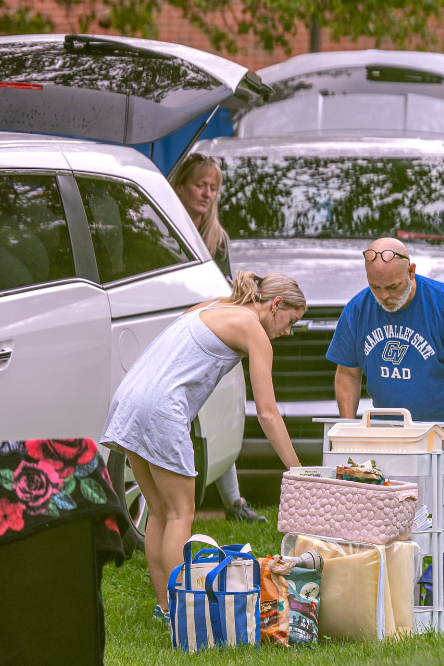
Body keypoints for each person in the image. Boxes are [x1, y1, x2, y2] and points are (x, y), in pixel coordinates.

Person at [101, 272, 305, 621]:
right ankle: (185, 614)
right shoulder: (254, 330)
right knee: (181, 514)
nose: (287, 330)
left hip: (129, 399)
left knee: (160, 512)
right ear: (276, 304)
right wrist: (298, 469)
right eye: (291, 321)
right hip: (162, 408)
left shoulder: (215, 305)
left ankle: (166, 609)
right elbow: (268, 413)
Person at [327, 237, 444, 551]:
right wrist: (347, 429)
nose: (384, 296)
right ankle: (403, 597)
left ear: (412, 271)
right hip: (396, 438)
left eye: (392, 286)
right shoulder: (358, 310)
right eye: (376, 287)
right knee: (393, 530)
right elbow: (347, 373)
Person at [170, 153, 265, 523]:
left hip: (208, 333)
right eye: (200, 185)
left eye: (213, 188)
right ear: (180, 186)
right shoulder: (166, 229)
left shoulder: (216, 238)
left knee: (218, 411)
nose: (207, 194)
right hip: (176, 330)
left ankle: (233, 502)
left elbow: (221, 291)